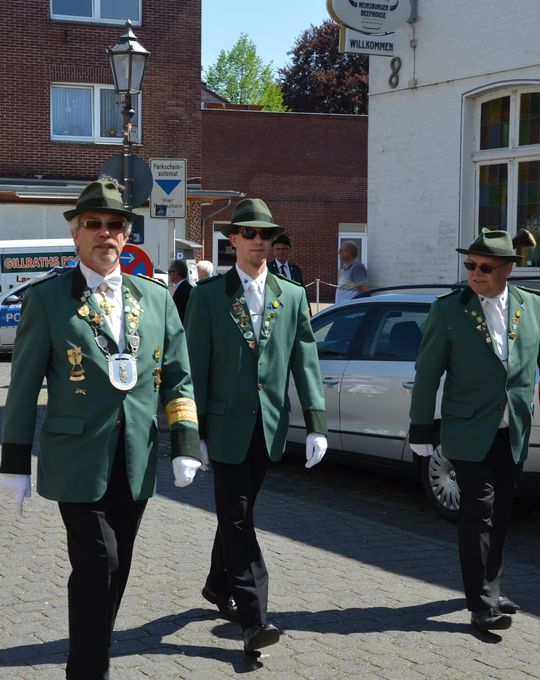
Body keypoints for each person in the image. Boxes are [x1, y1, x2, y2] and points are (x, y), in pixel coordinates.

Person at [0, 178, 202, 680]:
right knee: (99, 562)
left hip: (135, 455)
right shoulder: (48, 299)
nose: (104, 233)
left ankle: (93, 653)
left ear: (126, 235)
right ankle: (88, 671)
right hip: (75, 457)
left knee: (117, 566)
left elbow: (178, 376)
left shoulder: (155, 298)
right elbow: (23, 387)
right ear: (76, 233)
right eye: (93, 223)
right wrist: (14, 461)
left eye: (115, 224)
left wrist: (184, 442)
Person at [408, 228, 540, 633]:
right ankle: (482, 604)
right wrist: (419, 427)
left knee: (502, 512)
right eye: (470, 265)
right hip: (467, 430)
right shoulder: (449, 310)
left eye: (485, 267)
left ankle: (490, 585)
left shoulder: (534, 305)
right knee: (480, 512)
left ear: (508, 268)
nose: (475, 273)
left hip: (513, 428)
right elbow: (427, 373)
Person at [184, 197, 328, 655]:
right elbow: (193, 368)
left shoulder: (293, 295)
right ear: (233, 239)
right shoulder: (209, 296)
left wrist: (317, 422)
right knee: (239, 518)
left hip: (268, 426)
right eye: (249, 233)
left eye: (267, 235)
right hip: (223, 427)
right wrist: (192, 433)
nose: (259, 241)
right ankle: (255, 620)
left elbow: (305, 360)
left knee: (237, 514)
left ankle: (216, 582)